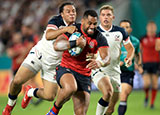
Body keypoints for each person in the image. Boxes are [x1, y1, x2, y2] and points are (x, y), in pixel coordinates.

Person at [2, 2, 77, 115]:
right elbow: (48, 35)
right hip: (39, 55)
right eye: (68, 11)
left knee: (50, 96)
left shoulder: (77, 29)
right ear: (62, 14)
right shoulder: (56, 21)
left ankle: (30, 92)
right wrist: (65, 29)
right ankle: (9, 106)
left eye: (73, 11)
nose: (72, 13)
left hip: (53, 64)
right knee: (17, 81)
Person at [46, 10, 110, 115]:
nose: (92, 26)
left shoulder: (99, 36)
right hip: (66, 68)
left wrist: (100, 62)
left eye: (95, 24)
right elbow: (57, 46)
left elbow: (107, 57)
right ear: (83, 21)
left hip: (84, 76)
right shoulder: (73, 29)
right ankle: (54, 111)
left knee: (81, 113)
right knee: (71, 88)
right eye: (90, 23)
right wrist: (75, 43)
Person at [91, 5, 135, 115]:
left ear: (113, 17)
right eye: (103, 15)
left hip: (115, 72)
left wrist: (129, 58)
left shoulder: (120, 32)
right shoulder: (93, 32)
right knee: (107, 92)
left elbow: (130, 48)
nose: (106, 17)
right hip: (99, 69)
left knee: (110, 109)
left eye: (108, 15)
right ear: (99, 18)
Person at [118, 19, 143, 115]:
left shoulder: (135, 41)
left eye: (127, 27)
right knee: (110, 102)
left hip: (127, 72)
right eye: (122, 27)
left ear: (130, 29)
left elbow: (137, 55)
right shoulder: (114, 40)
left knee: (123, 95)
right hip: (114, 72)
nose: (124, 29)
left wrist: (139, 65)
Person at [140, 21, 160, 109]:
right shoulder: (143, 38)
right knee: (147, 84)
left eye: (153, 27)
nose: (151, 28)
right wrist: (139, 63)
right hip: (146, 63)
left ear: (155, 28)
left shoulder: (158, 38)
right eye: (150, 27)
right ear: (147, 28)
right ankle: (147, 96)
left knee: (155, 85)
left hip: (156, 63)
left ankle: (152, 104)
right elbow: (138, 52)